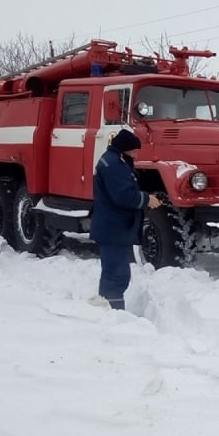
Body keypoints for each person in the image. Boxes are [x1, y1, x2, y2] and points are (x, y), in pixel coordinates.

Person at [90, 129, 161, 310]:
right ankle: (113, 313)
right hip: (114, 228)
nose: (136, 155)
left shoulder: (114, 160)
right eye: (134, 151)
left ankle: (106, 308)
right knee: (117, 275)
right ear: (124, 149)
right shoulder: (114, 165)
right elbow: (122, 196)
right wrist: (146, 199)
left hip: (113, 227)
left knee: (113, 273)